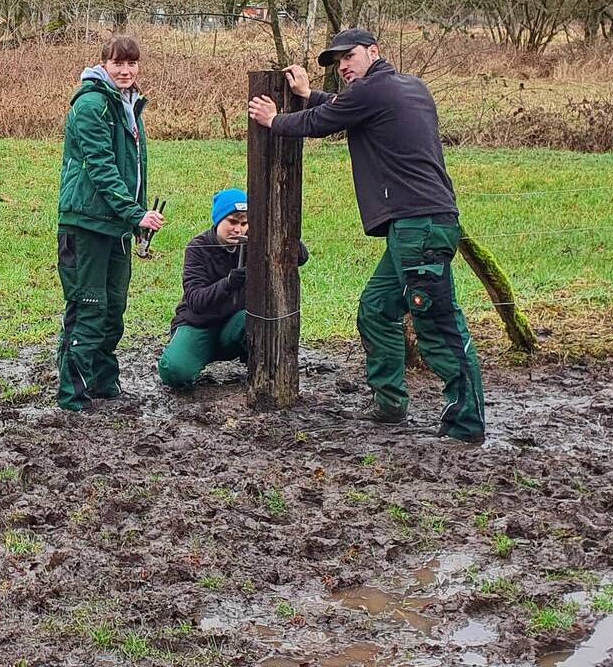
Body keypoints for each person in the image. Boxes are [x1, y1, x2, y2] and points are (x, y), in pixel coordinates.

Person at [248, 28, 486, 443]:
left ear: (374, 52)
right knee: (377, 308)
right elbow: (344, 108)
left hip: (419, 227)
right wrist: (307, 94)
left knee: (437, 323)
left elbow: (324, 121)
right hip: (420, 224)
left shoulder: (372, 91)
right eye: (337, 62)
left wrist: (274, 120)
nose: (343, 67)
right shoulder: (408, 87)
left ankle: (466, 423)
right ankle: (390, 404)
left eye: (349, 57)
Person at [56, 35, 167, 412]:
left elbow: (134, 170)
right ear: (103, 64)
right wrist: (136, 212)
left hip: (116, 224)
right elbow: (102, 169)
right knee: (88, 307)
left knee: (113, 309)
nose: (125, 70)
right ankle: (73, 395)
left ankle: (105, 383)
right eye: (118, 63)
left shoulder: (129, 105)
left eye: (132, 64)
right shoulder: (91, 105)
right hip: (86, 223)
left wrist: (136, 220)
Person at [157, 189, 308, 390]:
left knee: (258, 317)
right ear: (218, 220)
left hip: (236, 325)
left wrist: (279, 234)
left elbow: (301, 257)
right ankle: (195, 354)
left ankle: (258, 370)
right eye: (232, 222)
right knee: (175, 371)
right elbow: (195, 300)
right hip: (200, 324)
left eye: (244, 223)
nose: (238, 230)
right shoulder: (198, 247)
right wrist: (228, 283)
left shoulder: (256, 243)